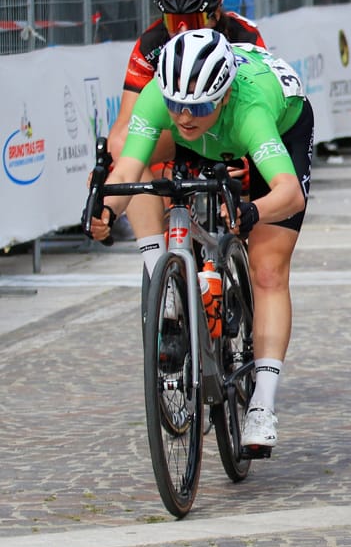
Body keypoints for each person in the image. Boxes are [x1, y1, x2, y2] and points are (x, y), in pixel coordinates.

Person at [88, 28, 314, 451]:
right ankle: (167, 276)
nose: (184, 116)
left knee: (267, 270)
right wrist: (106, 212)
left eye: (198, 106)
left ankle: (262, 406)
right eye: (176, 105)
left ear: (223, 96)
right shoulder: (164, 97)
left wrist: (251, 212)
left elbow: (289, 193)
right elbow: (127, 170)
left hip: (280, 126)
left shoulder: (249, 110)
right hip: (213, 136)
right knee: (135, 162)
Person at [107, 0, 267, 275]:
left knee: (256, 214)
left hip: (229, 133)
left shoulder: (243, 34)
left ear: (216, 16)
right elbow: (124, 123)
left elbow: (258, 110)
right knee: (123, 148)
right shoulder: (151, 43)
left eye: (192, 20)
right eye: (172, 20)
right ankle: (158, 273)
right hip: (179, 130)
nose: (181, 29)